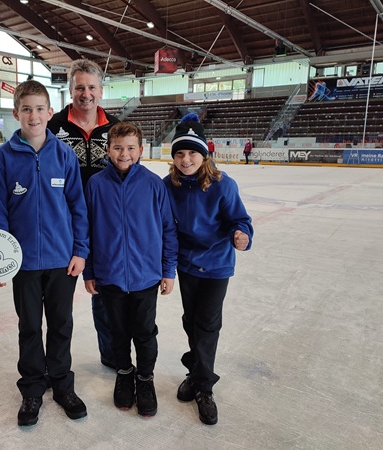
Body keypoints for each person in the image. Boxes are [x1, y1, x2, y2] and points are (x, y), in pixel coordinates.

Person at [0, 80, 89, 427]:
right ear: (16, 113)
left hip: (62, 260)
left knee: (61, 325)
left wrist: (80, 251)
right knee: (29, 326)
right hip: (24, 262)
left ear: (50, 112)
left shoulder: (64, 155)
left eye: (40, 109)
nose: (34, 116)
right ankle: (31, 388)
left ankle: (62, 385)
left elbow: (78, 207)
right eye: (27, 109)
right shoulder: (3, 158)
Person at [163, 115, 253, 426]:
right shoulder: (169, 186)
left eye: (192, 153)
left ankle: (203, 386)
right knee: (191, 321)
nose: (186, 159)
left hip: (216, 265)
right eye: (179, 153)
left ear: (204, 155)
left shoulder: (223, 185)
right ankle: (196, 370)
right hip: (188, 264)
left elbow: (240, 220)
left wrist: (242, 235)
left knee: (208, 324)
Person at [83, 122, 178, 418]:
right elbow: (86, 230)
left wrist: (168, 270)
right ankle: (124, 373)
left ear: (141, 150)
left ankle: (145, 378)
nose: (124, 154)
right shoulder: (96, 184)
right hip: (109, 275)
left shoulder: (154, 185)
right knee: (118, 332)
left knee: (145, 332)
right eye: (118, 147)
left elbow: (168, 230)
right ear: (108, 149)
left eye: (131, 148)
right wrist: (89, 271)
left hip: (145, 276)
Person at [48, 58, 120, 370]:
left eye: (91, 87)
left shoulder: (116, 127)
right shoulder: (53, 126)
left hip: (105, 226)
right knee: (56, 301)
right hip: (61, 226)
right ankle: (54, 365)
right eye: (80, 87)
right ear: (70, 90)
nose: (86, 94)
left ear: (101, 91)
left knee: (104, 295)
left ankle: (112, 355)